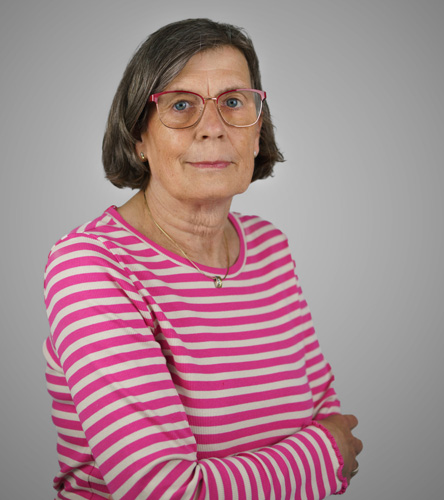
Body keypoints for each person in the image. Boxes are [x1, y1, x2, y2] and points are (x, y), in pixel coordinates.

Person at [43, 18, 362, 500]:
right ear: (139, 136)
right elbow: (163, 492)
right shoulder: (91, 267)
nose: (212, 128)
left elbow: (328, 416)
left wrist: (324, 448)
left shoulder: (269, 247)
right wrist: (323, 456)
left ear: (257, 133)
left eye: (233, 102)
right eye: (180, 105)